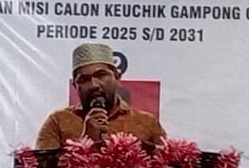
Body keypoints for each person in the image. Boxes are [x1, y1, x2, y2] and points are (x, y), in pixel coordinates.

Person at [35, 42, 166, 150]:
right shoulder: (58, 122)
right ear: (75, 85)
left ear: (117, 77)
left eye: (101, 75)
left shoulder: (146, 122)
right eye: (84, 79)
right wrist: (86, 141)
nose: (94, 85)